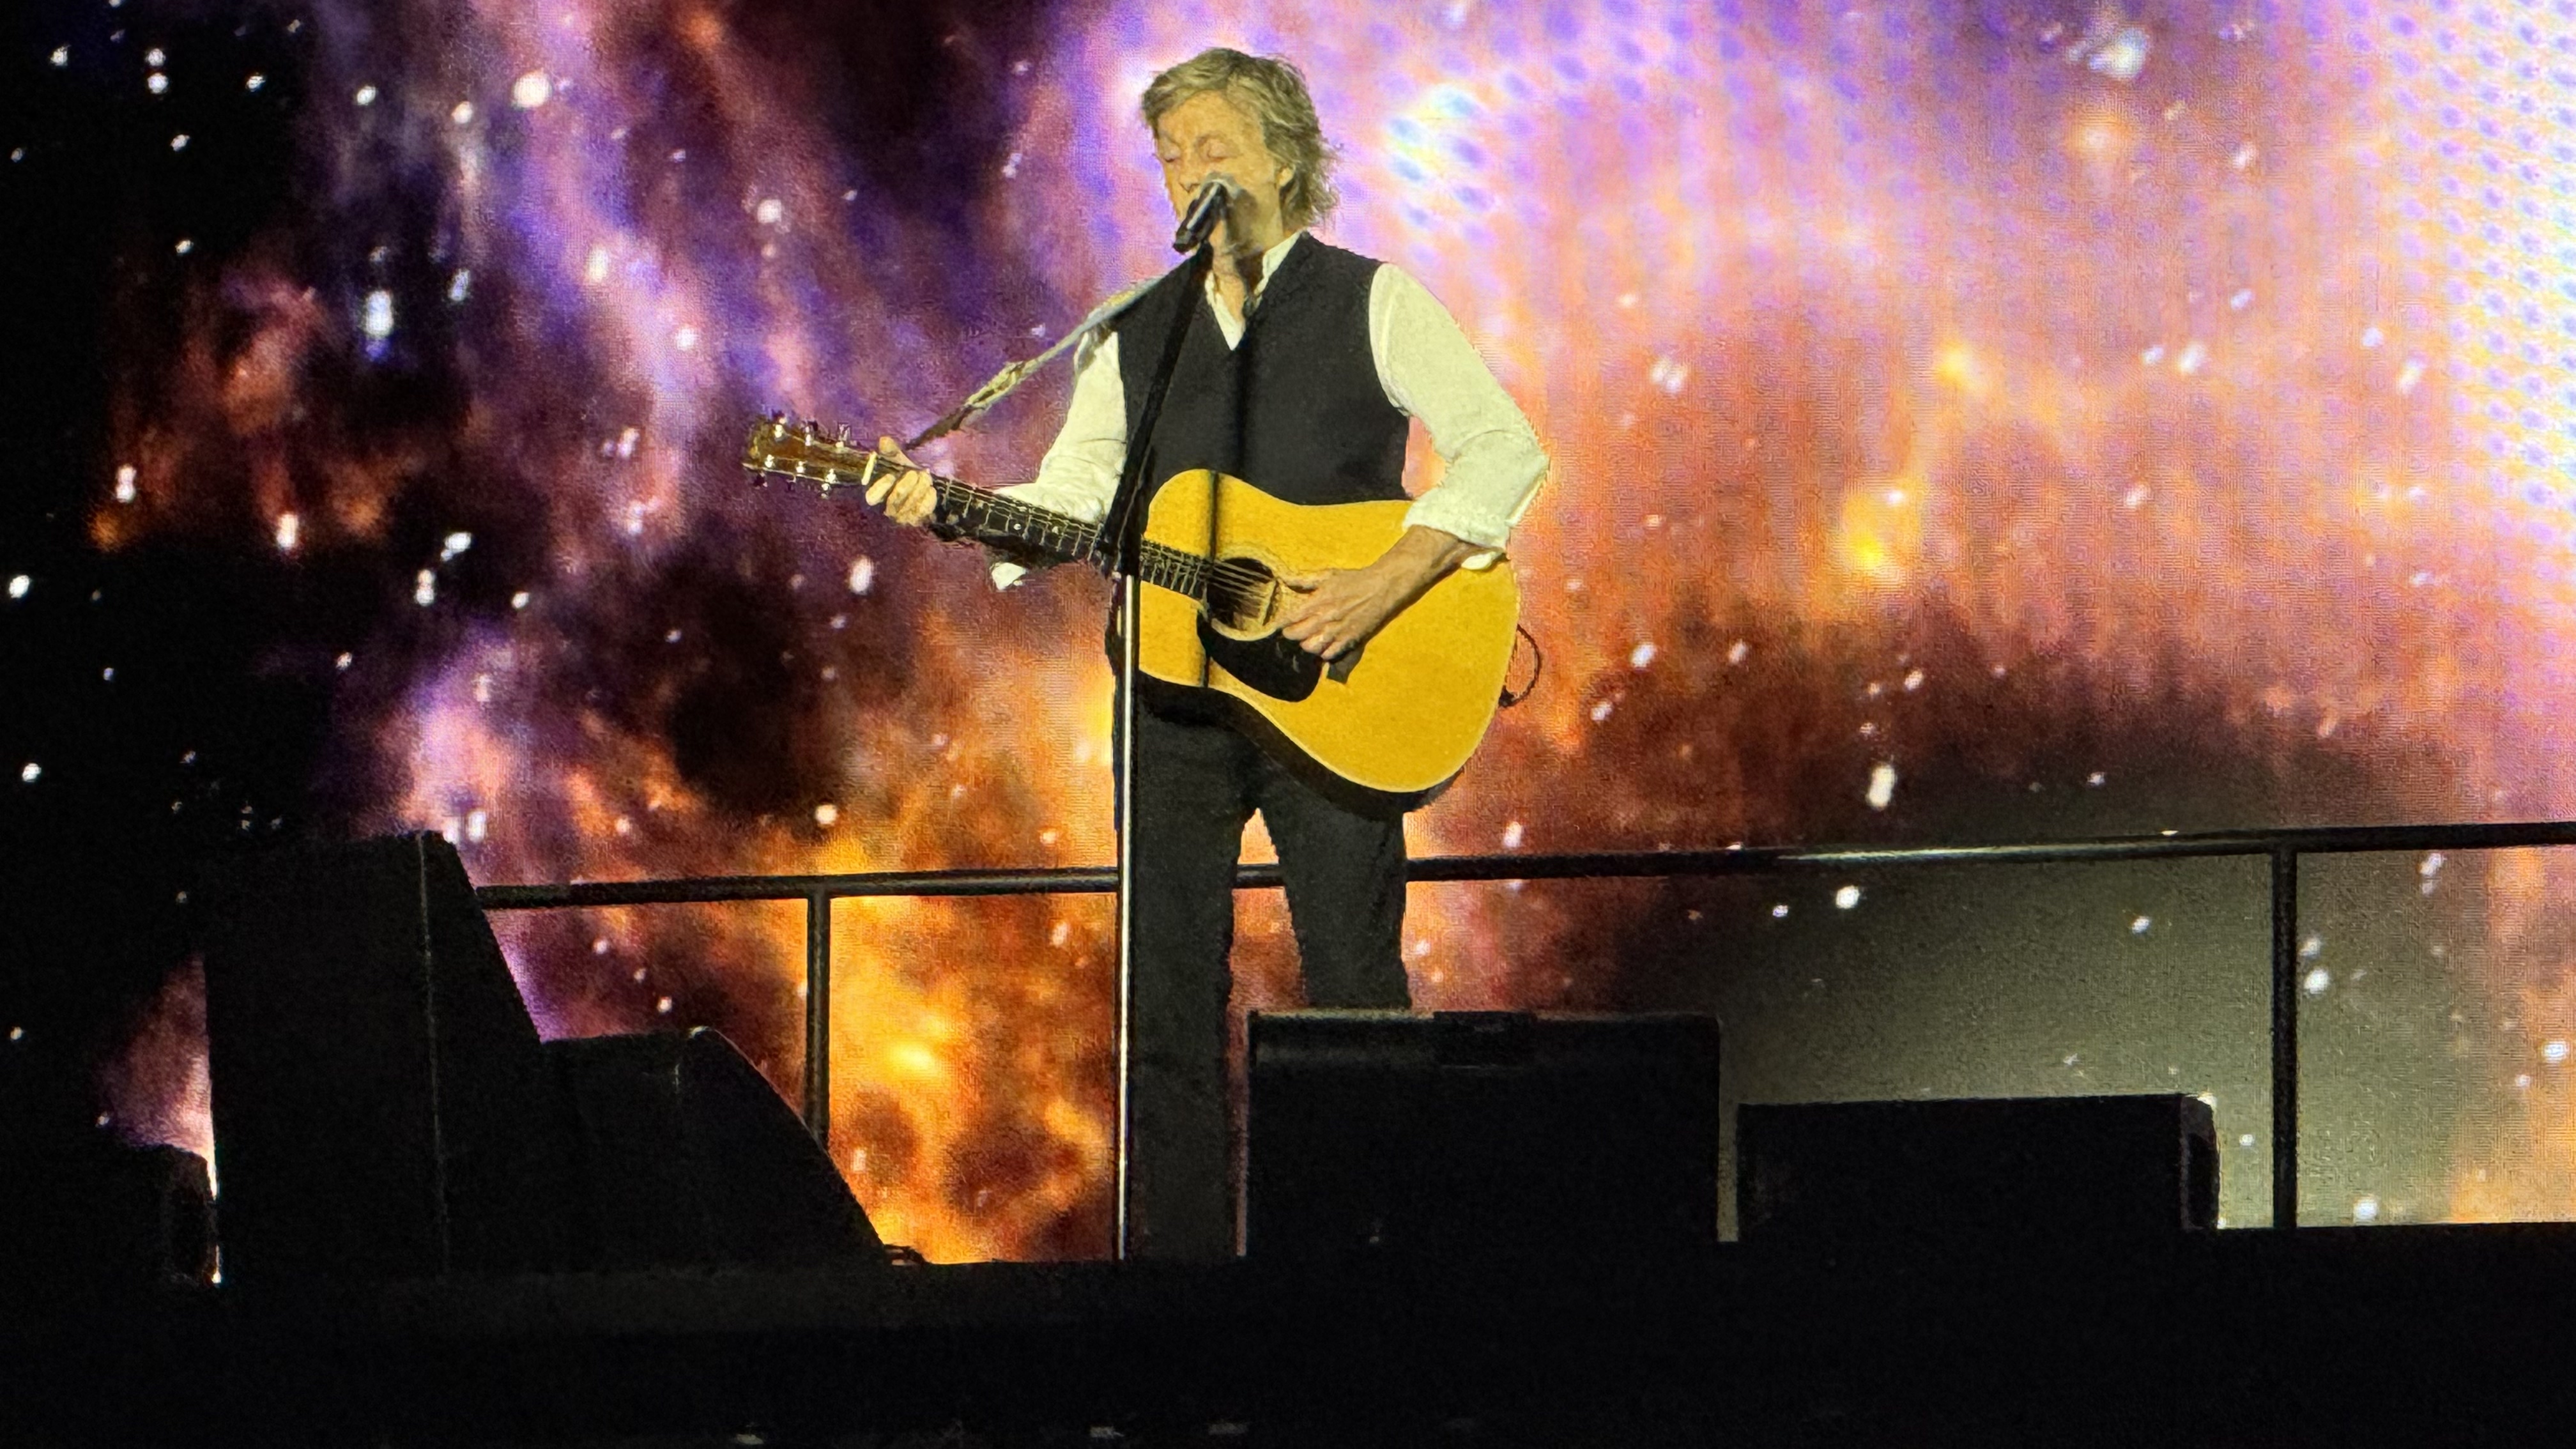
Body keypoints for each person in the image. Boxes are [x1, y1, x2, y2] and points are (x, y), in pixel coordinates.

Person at [867, 46, 1547, 1259]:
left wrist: (1381, 584)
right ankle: (1174, 1291)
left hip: (1336, 692)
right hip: (1169, 701)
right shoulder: (1135, 330)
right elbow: (1079, 499)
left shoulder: (1376, 300)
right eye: (1172, 154)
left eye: (1215, 147)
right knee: (1166, 1007)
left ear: (1284, 159)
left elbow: (1504, 451)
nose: (1190, 172)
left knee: (1354, 986)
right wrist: (955, 509)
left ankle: (1371, 1269)